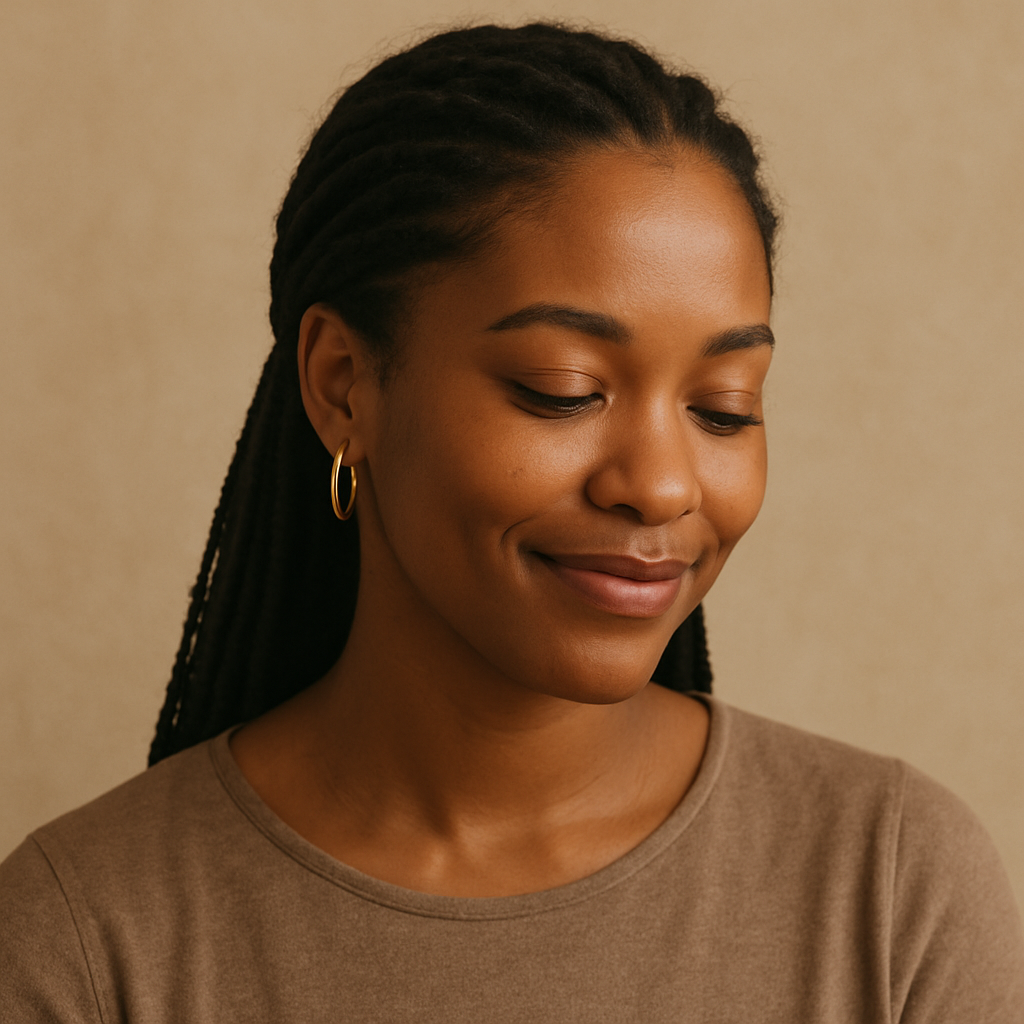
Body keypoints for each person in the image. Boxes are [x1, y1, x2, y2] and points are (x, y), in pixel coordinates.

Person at [1, 22, 1021, 1022]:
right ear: (344, 385)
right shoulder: (86, 939)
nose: (661, 485)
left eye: (723, 406)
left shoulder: (888, 889)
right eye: (563, 389)